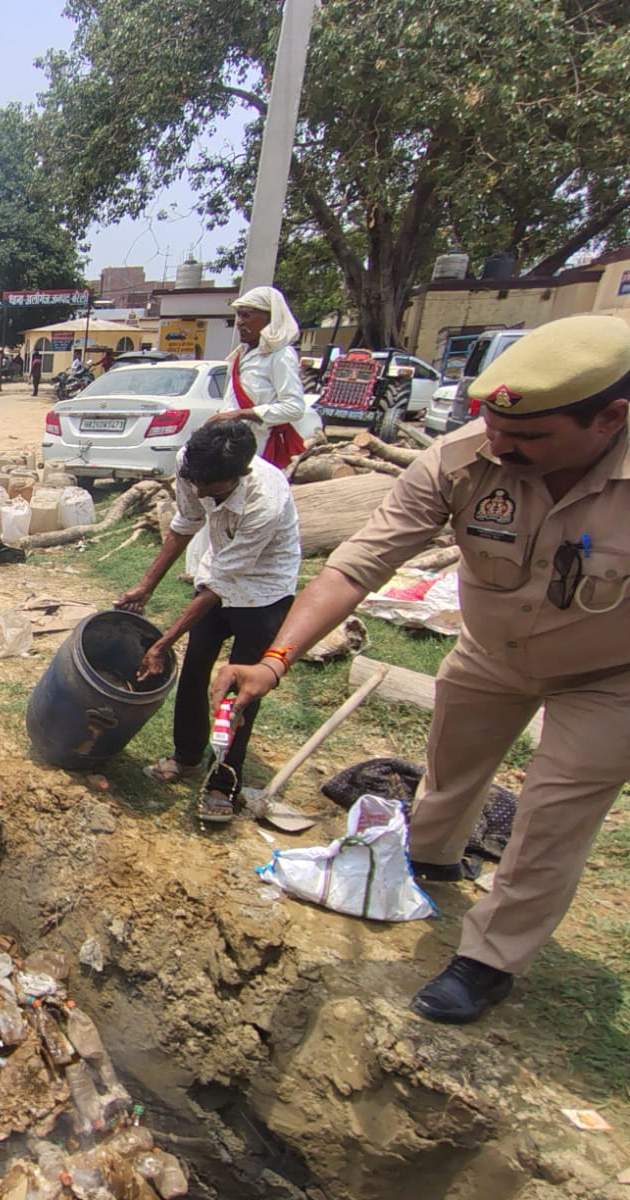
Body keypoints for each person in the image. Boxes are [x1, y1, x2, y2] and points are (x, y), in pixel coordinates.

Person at [212, 314, 630, 1024]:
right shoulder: (463, 461)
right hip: (492, 651)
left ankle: (487, 960)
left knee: (552, 814)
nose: (500, 446)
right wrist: (274, 661)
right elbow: (358, 565)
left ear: (609, 420)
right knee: (450, 770)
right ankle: (432, 859)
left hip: (608, 673)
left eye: (527, 437)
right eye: (493, 426)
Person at [116, 422, 300, 822]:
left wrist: (163, 642)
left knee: (239, 689)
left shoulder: (264, 502)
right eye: (195, 482)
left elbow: (221, 583)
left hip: (264, 590)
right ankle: (187, 756)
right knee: (195, 667)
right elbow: (185, 522)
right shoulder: (191, 465)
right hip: (219, 576)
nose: (199, 493)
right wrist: (145, 586)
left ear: (240, 475)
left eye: (211, 488)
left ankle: (223, 784)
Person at [207, 286, 308, 468]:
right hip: (232, 444)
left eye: (246, 315)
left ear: (269, 319)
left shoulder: (280, 355)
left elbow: (294, 407)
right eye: (238, 315)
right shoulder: (242, 354)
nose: (239, 322)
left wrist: (238, 415)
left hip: (259, 447)